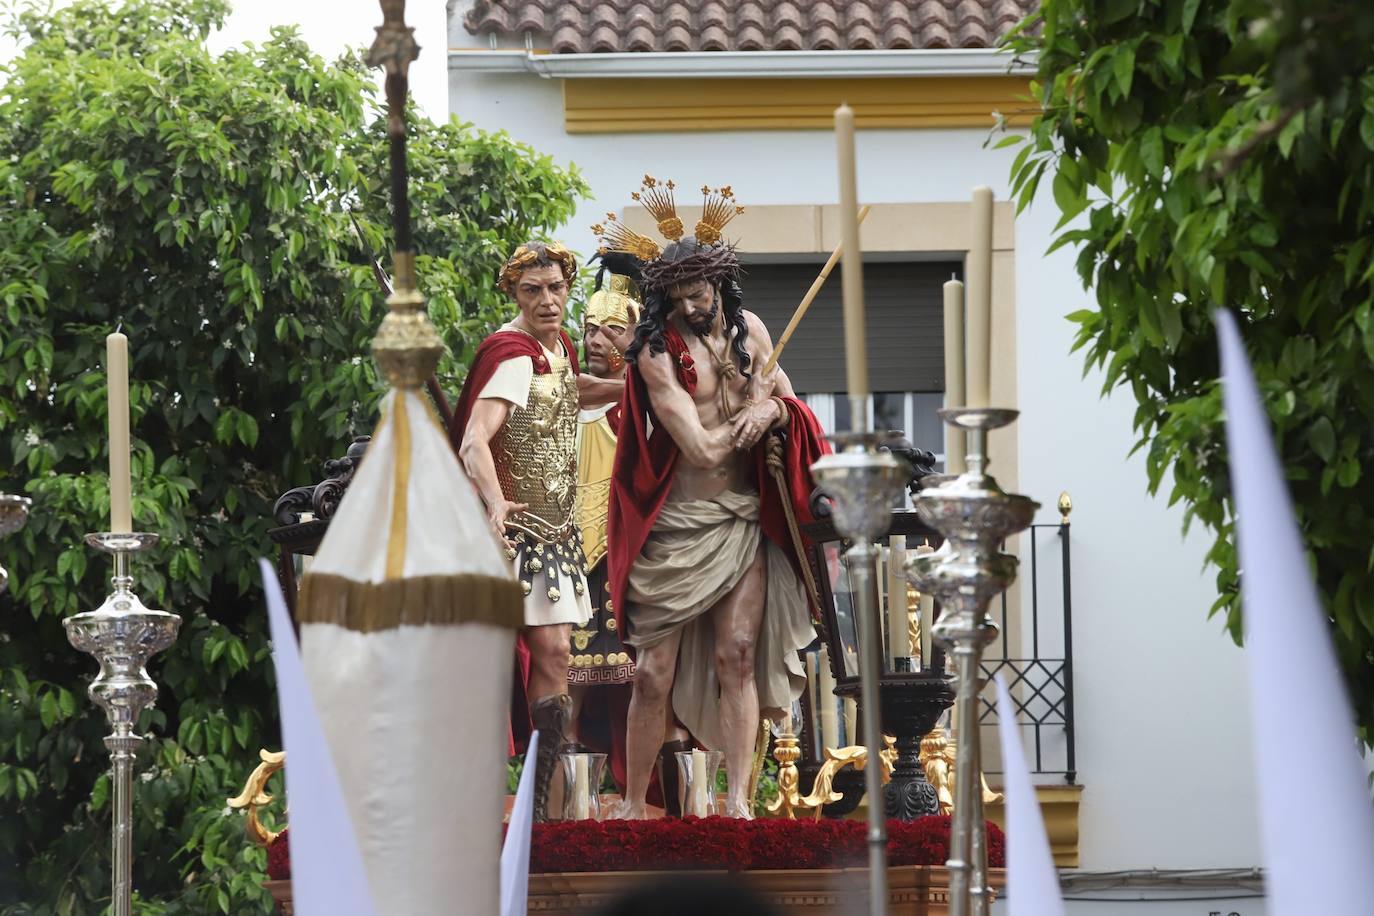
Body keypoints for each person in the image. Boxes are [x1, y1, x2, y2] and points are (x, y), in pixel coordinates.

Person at [599, 180, 829, 818]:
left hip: (739, 519)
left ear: (720, 286)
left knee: (738, 656)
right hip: (675, 524)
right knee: (651, 673)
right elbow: (698, 449)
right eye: (676, 296)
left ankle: (736, 805)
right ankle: (632, 800)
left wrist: (776, 410)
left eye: (697, 294)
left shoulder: (752, 330)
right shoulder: (654, 352)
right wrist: (749, 421)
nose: (689, 306)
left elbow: (784, 394)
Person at [449, 240, 623, 822]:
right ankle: (492, 797)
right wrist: (495, 502)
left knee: (553, 659)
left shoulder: (559, 349)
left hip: (556, 535)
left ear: (568, 288)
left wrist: (646, 389)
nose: (547, 301)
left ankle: (546, 806)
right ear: (514, 294)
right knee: (503, 664)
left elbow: (574, 396)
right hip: (512, 535)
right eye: (533, 291)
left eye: (555, 289)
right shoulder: (512, 354)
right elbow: (474, 438)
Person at [570, 252, 693, 813]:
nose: (598, 339)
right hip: (570, 564)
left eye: (612, 329)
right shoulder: (559, 400)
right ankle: (565, 812)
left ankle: (671, 809)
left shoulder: (651, 404)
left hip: (637, 556)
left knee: (654, 685)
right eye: (591, 328)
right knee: (569, 686)